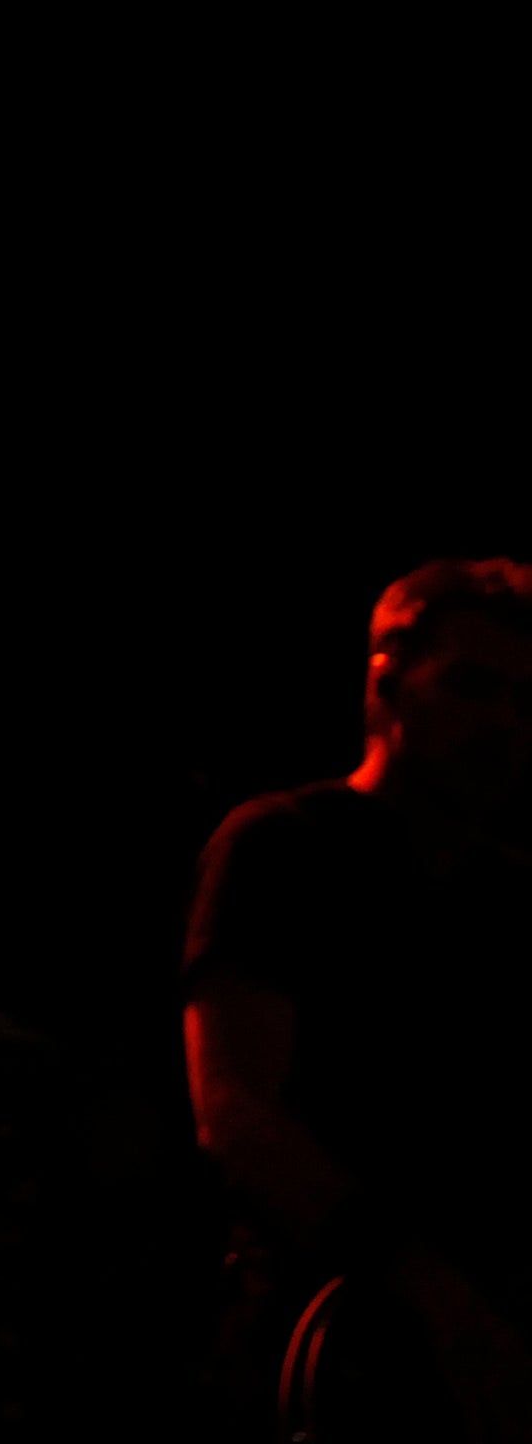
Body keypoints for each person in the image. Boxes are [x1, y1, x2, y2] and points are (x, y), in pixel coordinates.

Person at [185, 558, 532, 1441]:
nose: (501, 723)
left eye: (520, 701)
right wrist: (420, 1281)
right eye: (471, 686)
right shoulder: (282, 846)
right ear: (387, 683)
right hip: (323, 1346)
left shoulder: (515, 896)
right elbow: (234, 1109)